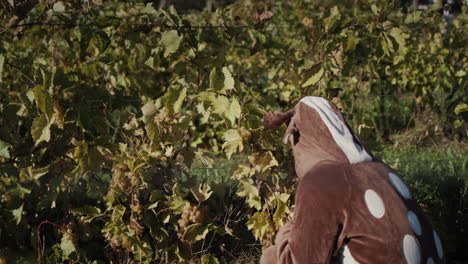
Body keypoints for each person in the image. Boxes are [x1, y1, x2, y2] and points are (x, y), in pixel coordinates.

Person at [261, 96, 444, 264]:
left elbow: (303, 260)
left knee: (272, 256)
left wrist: (287, 231)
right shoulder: (380, 169)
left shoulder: (320, 180)